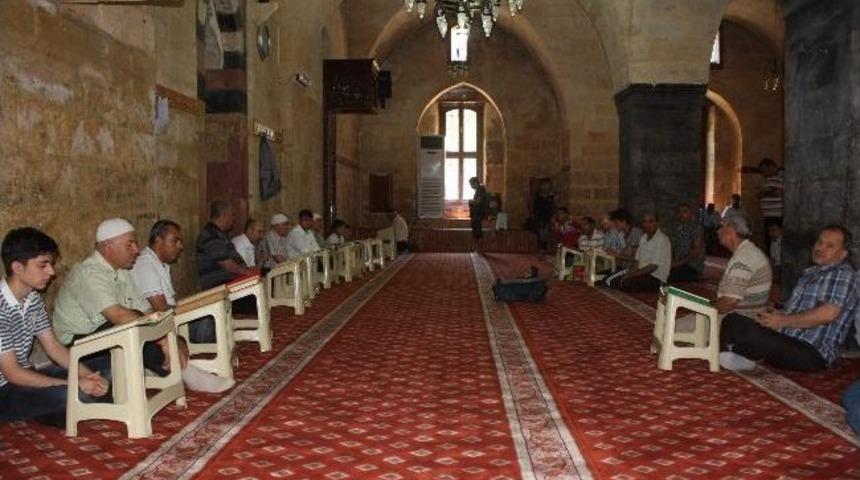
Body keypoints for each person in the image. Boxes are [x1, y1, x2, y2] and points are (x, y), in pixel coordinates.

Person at [0, 228, 108, 427]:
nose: (51, 272)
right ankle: (53, 410)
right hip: (5, 389)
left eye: (50, 264)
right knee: (69, 395)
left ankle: (54, 410)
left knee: (105, 373)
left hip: (25, 376)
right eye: (43, 265)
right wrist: (76, 384)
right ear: (17, 267)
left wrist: (86, 375)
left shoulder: (32, 298)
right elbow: (12, 373)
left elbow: (54, 347)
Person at [719, 225, 858, 372]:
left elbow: (827, 314)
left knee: (745, 330)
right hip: (788, 339)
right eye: (819, 242)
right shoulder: (811, 273)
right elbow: (798, 309)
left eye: (829, 246)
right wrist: (777, 310)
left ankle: (741, 354)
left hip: (812, 353)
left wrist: (783, 320)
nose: (820, 248)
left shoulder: (843, 274)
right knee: (733, 319)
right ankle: (741, 355)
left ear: (843, 254)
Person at [53, 219, 173, 380]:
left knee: (158, 328)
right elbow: (118, 316)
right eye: (129, 244)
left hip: (104, 335)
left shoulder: (122, 272)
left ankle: (169, 372)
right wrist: (162, 339)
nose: (136, 250)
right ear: (108, 247)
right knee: (134, 327)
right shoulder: (87, 273)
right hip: (75, 347)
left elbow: (147, 310)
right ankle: (174, 372)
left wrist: (167, 335)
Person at [131, 220, 234, 392]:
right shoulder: (145, 265)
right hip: (158, 323)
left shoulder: (159, 263)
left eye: (180, 241)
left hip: (169, 319)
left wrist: (197, 303)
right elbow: (161, 309)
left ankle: (198, 363)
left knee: (219, 310)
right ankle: (193, 366)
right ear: (158, 241)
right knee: (208, 320)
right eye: (175, 241)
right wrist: (195, 306)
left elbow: (171, 304)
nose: (180, 246)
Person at [195, 200, 256, 290]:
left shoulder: (221, 234)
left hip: (230, 282)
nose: (233, 219)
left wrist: (249, 270)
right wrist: (247, 272)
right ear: (224, 215)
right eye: (232, 215)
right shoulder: (211, 235)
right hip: (219, 286)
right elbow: (227, 264)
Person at [604, 212, 671, 292]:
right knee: (609, 280)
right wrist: (629, 273)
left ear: (657, 223)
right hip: (641, 273)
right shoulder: (643, 238)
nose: (647, 225)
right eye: (644, 222)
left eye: (650, 221)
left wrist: (632, 275)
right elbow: (637, 261)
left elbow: (652, 267)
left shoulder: (662, 240)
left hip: (656, 277)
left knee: (622, 283)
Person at [669, 203, 705, 282]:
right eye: (679, 212)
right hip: (678, 264)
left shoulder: (696, 228)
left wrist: (678, 263)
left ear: (691, 213)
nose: (681, 214)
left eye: (684, 211)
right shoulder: (676, 227)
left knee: (669, 275)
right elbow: (672, 246)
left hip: (693, 266)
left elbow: (696, 251)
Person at [758, 158, 784, 248]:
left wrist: (764, 193)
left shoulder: (782, 176)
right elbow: (761, 193)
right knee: (769, 242)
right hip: (769, 216)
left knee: (776, 242)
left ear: (771, 166)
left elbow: (778, 192)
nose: (763, 173)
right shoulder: (769, 179)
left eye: (764, 170)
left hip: (776, 216)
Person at [532, 179, 555, 257]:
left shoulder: (551, 197)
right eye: (545, 185)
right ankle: (541, 250)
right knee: (541, 233)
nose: (546, 187)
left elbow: (553, 207)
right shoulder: (537, 196)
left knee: (544, 234)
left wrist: (553, 217)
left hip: (548, 217)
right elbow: (534, 207)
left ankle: (542, 250)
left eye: (548, 185)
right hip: (539, 217)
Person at [468, 177, 488, 255]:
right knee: (476, 233)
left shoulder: (480, 190)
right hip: (476, 215)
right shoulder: (478, 190)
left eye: (471, 184)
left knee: (478, 233)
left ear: (475, 183)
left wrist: (471, 202)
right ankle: (478, 250)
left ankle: (480, 250)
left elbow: (478, 202)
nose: (471, 186)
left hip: (478, 215)